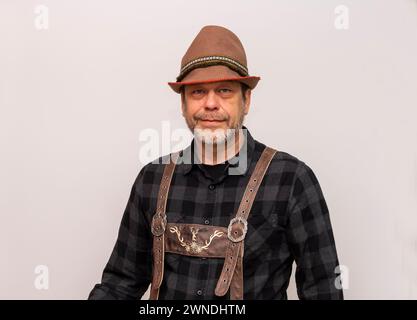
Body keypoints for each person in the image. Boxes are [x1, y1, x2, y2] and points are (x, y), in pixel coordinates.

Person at [88, 25, 344, 300]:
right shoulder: (151, 179)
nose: (210, 104)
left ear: (246, 100)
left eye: (224, 91)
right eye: (197, 92)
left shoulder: (292, 180)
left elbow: (323, 291)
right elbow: (119, 285)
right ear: (184, 104)